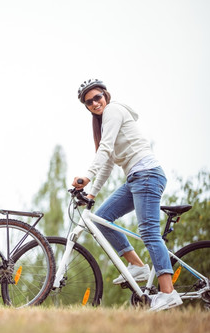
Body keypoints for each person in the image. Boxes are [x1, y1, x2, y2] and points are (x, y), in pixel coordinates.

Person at [72, 79, 182, 311]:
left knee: (149, 233)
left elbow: (105, 150)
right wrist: (91, 194)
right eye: (88, 102)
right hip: (135, 178)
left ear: (106, 95)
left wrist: (86, 177)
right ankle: (137, 266)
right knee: (102, 219)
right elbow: (108, 163)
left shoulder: (114, 110)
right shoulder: (104, 124)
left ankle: (168, 292)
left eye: (97, 97)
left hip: (147, 174)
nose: (94, 103)